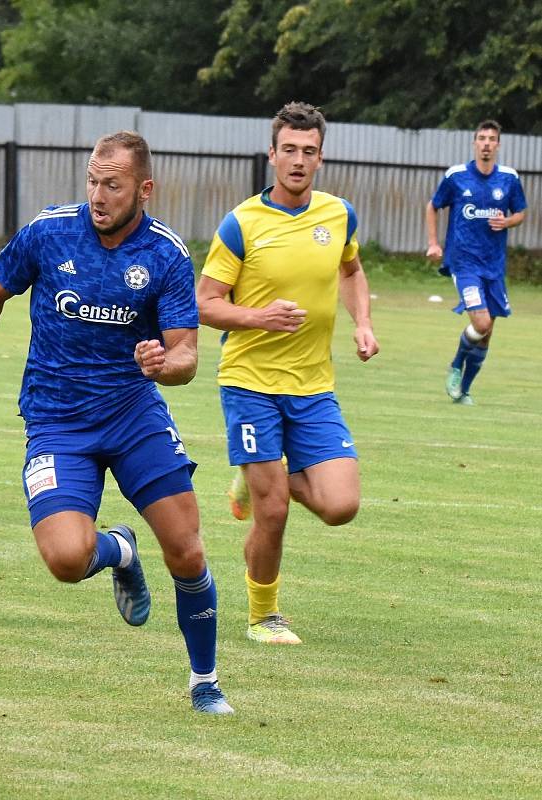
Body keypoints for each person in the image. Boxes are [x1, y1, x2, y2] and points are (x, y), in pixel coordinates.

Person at [0, 131, 233, 715]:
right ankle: (119, 550)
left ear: (144, 189)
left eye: (112, 184)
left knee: (186, 551)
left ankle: (205, 683)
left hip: (131, 415)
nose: (98, 194)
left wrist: (163, 364)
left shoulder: (166, 255)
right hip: (56, 421)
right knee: (67, 560)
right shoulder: (49, 232)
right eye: (92, 181)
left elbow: (187, 356)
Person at [196, 102, 379, 646]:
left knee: (340, 506)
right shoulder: (242, 223)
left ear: (321, 158)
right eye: (289, 150)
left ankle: (255, 479)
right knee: (273, 511)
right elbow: (205, 303)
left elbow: (352, 270)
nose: (298, 161)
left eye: (309, 151)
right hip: (249, 381)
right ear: (272, 154)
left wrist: (362, 323)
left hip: (313, 386)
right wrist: (260, 317)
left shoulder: (338, 214)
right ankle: (263, 615)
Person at [425, 119, 527, 405]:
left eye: (491, 139)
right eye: (481, 138)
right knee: (480, 323)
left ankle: (464, 391)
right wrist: (434, 243)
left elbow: (521, 212)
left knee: (487, 333)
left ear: (498, 144)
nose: (486, 143)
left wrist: (507, 221)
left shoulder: (509, 178)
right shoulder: (457, 176)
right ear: (474, 142)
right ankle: (456, 364)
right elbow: (433, 206)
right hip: (464, 262)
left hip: (494, 265)